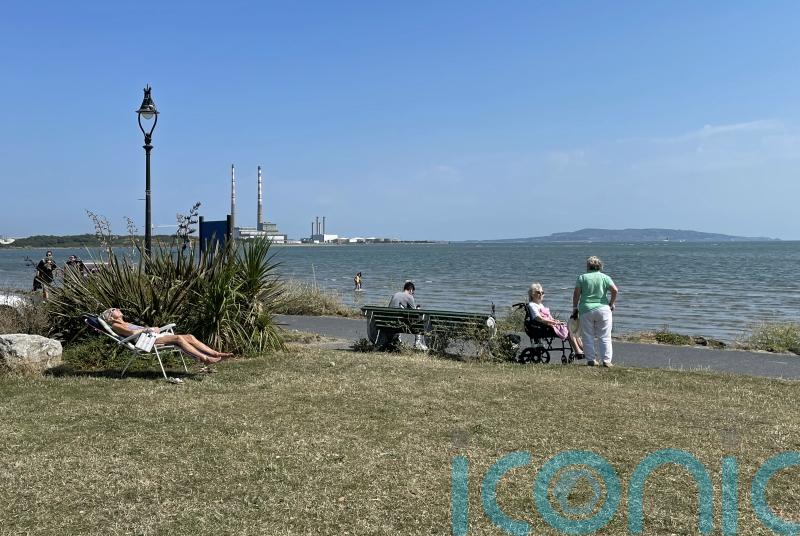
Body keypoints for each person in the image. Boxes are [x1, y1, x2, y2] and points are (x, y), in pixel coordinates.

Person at [101, 308, 233, 365]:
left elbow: (138, 330)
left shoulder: (126, 322)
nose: (117, 309)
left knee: (190, 336)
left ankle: (215, 353)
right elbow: (131, 334)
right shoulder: (116, 326)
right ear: (111, 317)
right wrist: (149, 329)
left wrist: (152, 329)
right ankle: (204, 358)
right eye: (114, 310)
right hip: (145, 342)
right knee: (178, 339)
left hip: (151, 337)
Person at [573, 256, 618, 367]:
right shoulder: (605, 277)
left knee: (588, 336)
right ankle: (606, 361)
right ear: (600, 266)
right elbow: (615, 290)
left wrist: (574, 308)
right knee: (605, 336)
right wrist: (611, 303)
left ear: (588, 266)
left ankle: (591, 360)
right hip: (603, 309)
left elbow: (576, 294)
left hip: (586, 309)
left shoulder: (582, 277)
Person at [527, 282, 584, 358]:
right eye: (538, 292)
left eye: (542, 293)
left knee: (574, 331)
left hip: (549, 324)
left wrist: (556, 321)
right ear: (532, 294)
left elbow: (548, 317)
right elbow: (538, 318)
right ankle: (577, 351)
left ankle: (584, 350)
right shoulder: (532, 305)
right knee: (570, 331)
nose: (541, 294)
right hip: (544, 327)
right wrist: (553, 322)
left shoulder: (540, 305)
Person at [388, 281, 428, 351]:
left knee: (398, 316)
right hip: (401, 324)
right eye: (413, 293)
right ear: (411, 290)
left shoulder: (395, 294)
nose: (412, 294)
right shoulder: (409, 296)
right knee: (419, 315)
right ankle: (418, 342)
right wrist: (417, 309)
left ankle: (397, 339)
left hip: (389, 322)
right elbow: (414, 313)